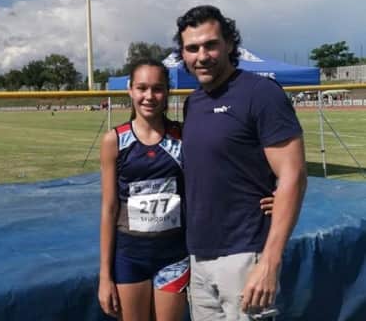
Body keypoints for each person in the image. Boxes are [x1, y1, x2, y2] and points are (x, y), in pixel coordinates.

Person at [98, 58, 275, 321]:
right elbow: (109, 208)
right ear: (130, 89)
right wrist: (105, 275)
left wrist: (274, 189)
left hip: (173, 256)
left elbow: (223, 168)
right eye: (142, 88)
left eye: (157, 88)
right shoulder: (115, 141)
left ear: (168, 91)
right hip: (130, 256)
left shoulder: (182, 137)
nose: (149, 96)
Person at [174, 5, 307, 320]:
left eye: (210, 45)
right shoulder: (193, 102)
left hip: (246, 255)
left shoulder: (260, 93)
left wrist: (269, 261)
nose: (202, 56)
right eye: (192, 48)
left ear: (230, 44)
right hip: (200, 257)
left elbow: (293, 175)